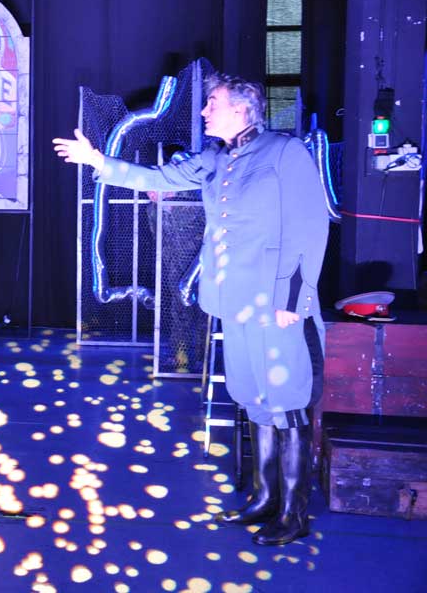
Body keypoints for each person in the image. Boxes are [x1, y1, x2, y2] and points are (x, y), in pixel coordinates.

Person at [54, 73, 328, 546]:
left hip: (275, 303)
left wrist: (292, 301)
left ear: (240, 108)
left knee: (285, 403)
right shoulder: (217, 157)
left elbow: (309, 227)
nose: (203, 111)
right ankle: (265, 498)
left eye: (212, 103)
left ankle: (294, 512)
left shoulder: (286, 153)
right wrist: (97, 160)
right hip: (233, 301)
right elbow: (160, 179)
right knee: (254, 400)